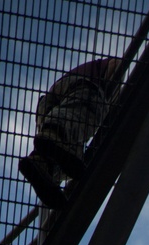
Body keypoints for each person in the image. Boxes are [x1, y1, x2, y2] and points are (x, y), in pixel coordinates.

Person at [19, 57, 122, 210]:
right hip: (76, 88)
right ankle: (51, 140)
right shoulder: (100, 74)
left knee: (70, 153)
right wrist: (113, 93)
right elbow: (117, 64)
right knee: (89, 110)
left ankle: (43, 166)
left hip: (50, 103)